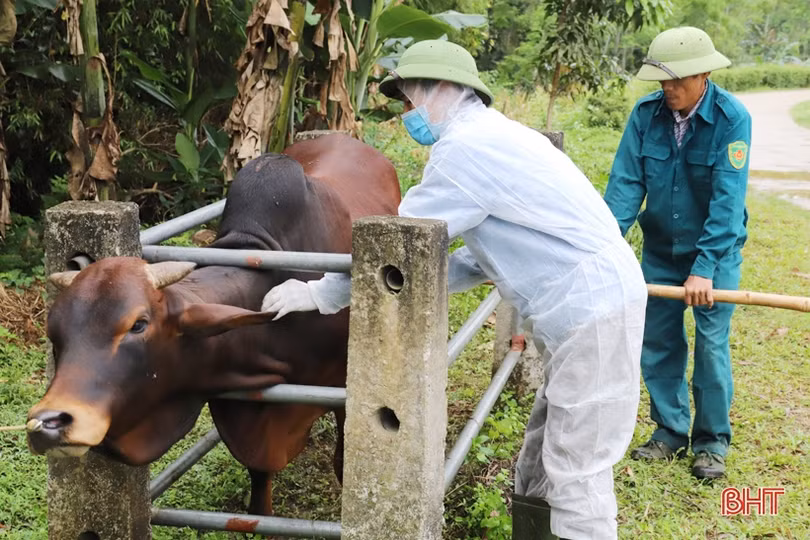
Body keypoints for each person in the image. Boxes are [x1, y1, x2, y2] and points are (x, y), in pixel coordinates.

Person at [262, 40, 647, 540]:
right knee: (540, 457)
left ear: (444, 87)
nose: (406, 113)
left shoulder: (464, 151)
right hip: (583, 308)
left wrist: (322, 294)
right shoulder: (495, 135)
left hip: (591, 312)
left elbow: (400, 245)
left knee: (577, 473)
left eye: (409, 99)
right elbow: (464, 259)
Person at [604, 26, 751, 479]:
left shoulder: (732, 119)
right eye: (662, 80)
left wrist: (704, 269)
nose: (668, 88)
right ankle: (669, 430)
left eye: (678, 79)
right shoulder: (645, 115)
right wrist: (604, 247)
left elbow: (727, 204)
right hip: (661, 251)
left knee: (710, 346)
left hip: (714, 256)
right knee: (659, 340)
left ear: (703, 74)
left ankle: (711, 442)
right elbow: (625, 186)